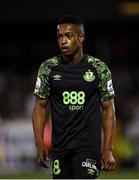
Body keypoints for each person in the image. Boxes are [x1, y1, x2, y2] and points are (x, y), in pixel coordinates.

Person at [32, 14, 116, 179]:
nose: (63, 41)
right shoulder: (48, 68)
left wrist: (108, 149)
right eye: (60, 37)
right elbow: (39, 106)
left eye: (69, 36)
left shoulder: (99, 68)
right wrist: (39, 143)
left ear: (81, 37)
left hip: (87, 146)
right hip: (60, 147)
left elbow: (108, 109)